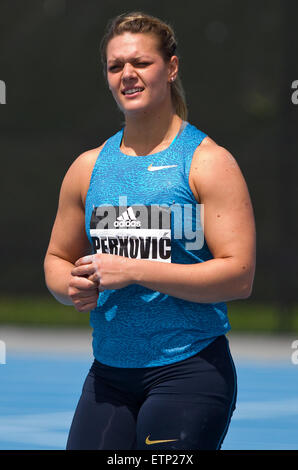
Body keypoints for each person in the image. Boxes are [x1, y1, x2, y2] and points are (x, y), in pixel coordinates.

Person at [44, 11, 256, 450]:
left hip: (189, 370)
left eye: (141, 63)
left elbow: (239, 276)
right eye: (116, 65)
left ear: (171, 68)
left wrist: (136, 270)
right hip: (108, 375)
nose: (128, 74)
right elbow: (56, 259)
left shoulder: (207, 162)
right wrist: (70, 286)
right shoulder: (88, 168)